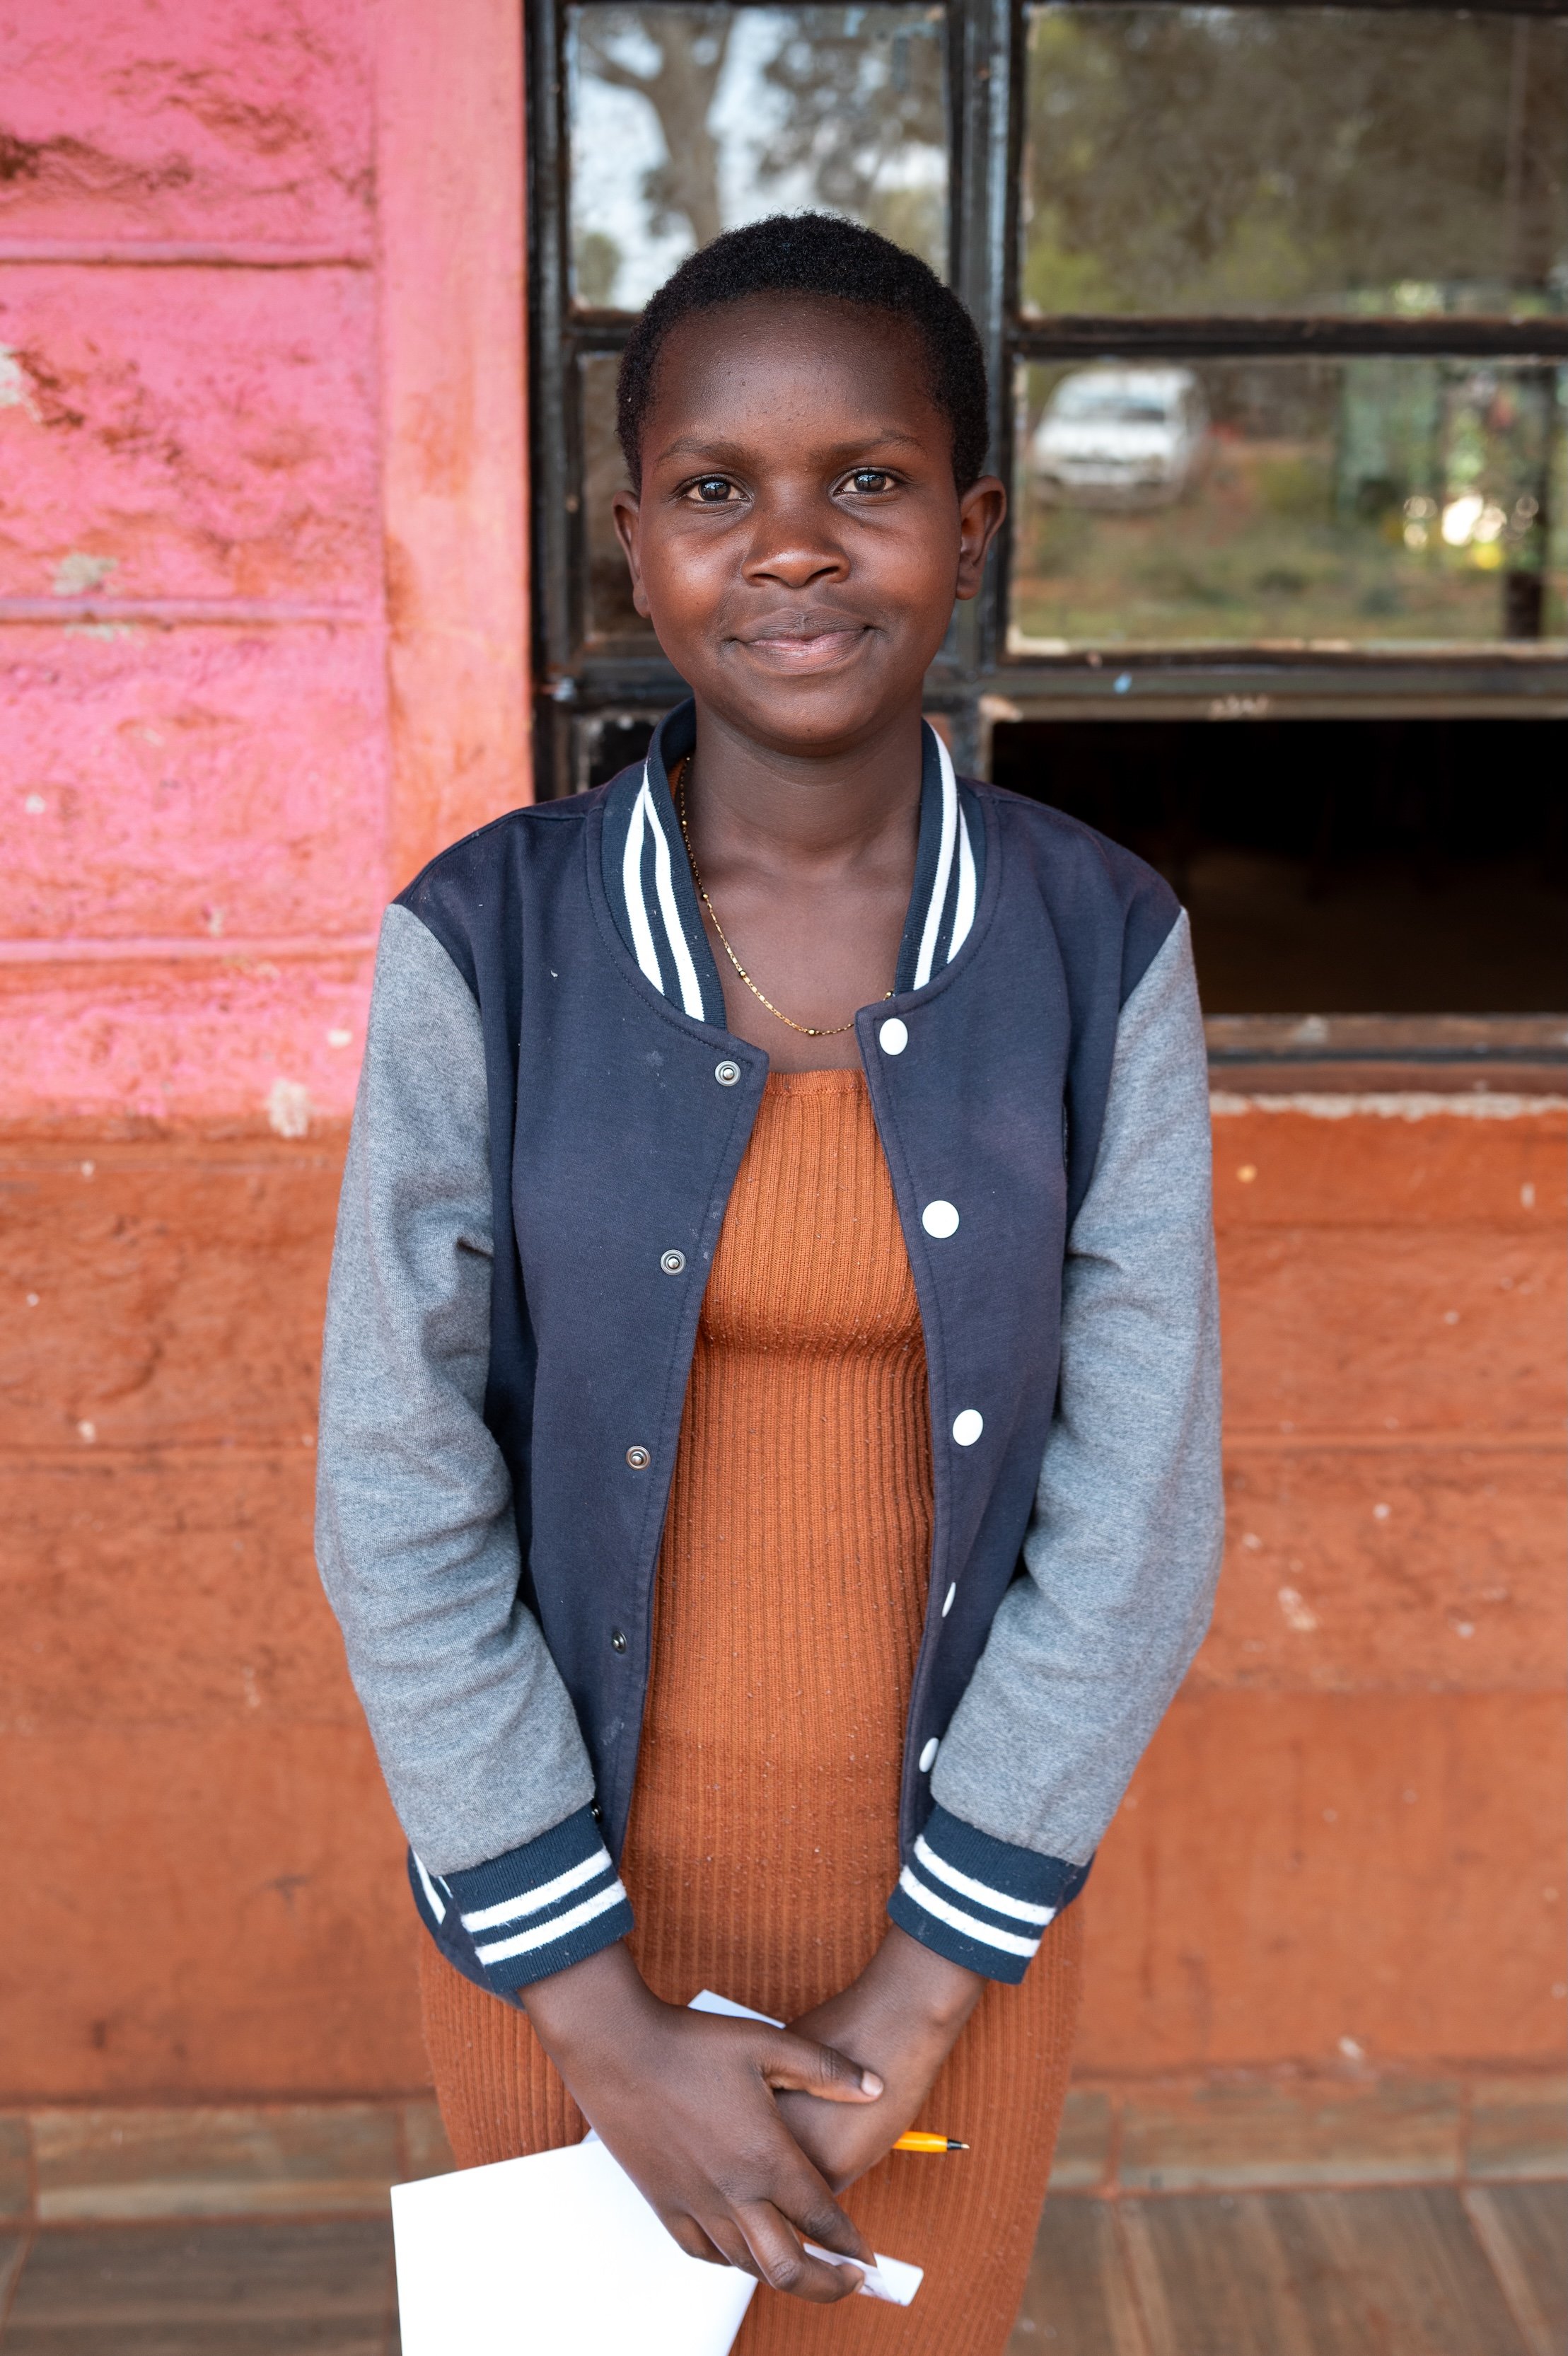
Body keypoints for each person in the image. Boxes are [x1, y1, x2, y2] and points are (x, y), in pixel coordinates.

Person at [316, 212, 1221, 2354]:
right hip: (553, 1910)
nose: (793, 547)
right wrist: (593, 2014)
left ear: (971, 526)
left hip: (958, 1922)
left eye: (870, 483)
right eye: (718, 488)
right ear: (635, 540)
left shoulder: (1100, 944)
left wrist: (923, 1990)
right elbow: (393, 1471)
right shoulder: (484, 939)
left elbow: (1142, 1483)